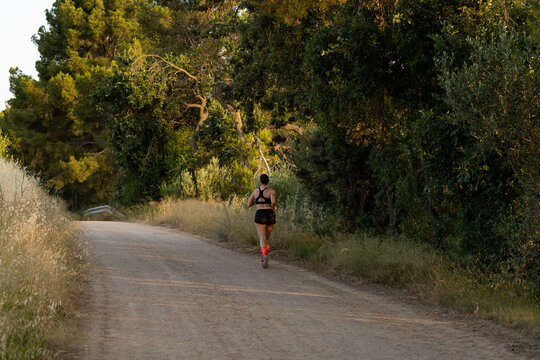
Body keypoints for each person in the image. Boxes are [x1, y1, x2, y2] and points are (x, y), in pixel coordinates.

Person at [247, 174, 276, 269]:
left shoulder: (255, 191)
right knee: (267, 238)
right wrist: (274, 207)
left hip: (260, 214)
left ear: (260, 181)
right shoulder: (271, 191)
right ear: (268, 181)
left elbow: (248, 204)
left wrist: (257, 201)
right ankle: (265, 255)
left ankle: (264, 256)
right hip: (270, 214)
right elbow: (273, 202)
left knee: (262, 238)